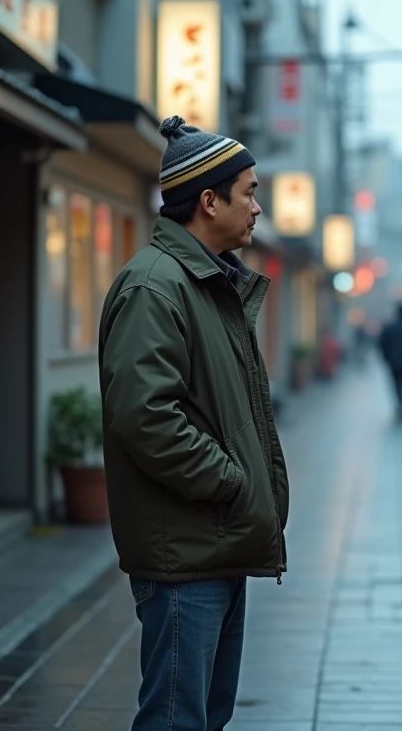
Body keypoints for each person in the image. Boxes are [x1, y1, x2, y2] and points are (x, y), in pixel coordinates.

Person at [98, 116, 289, 731]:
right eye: (250, 191)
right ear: (209, 200)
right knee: (177, 718)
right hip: (185, 548)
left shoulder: (207, 283)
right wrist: (230, 483)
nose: (258, 208)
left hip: (215, 542)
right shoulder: (156, 286)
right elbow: (146, 415)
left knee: (206, 714)